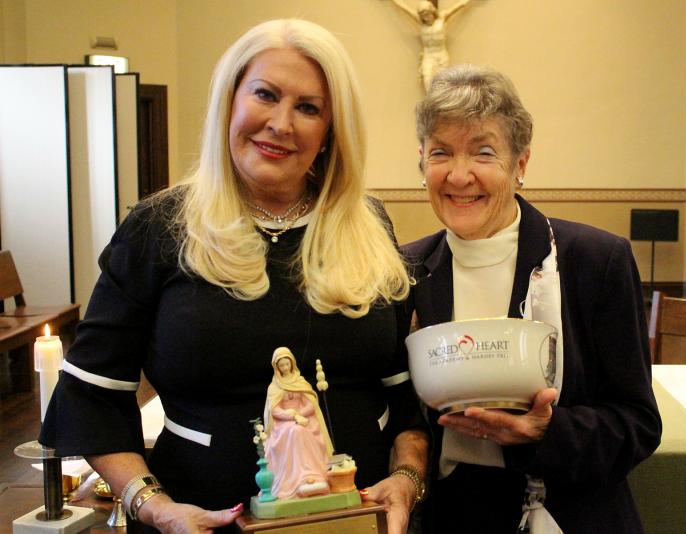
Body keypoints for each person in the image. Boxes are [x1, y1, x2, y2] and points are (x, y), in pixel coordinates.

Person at [40, 19, 428, 534]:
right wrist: (153, 506)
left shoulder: (369, 225)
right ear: (230, 101)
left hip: (358, 520)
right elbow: (94, 397)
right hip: (197, 518)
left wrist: (405, 480)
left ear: (332, 132)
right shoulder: (159, 228)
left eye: (308, 108)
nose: (281, 123)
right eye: (265, 95)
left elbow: (405, 400)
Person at [402, 65, 662, 533]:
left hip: (573, 514)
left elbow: (638, 424)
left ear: (520, 164)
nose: (459, 175)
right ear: (422, 162)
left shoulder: (595, 261)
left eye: (483, 152)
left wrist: (546, 433)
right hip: (455, 520)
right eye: (441, 152)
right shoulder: (404, 271)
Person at [264, 347, 332, 499]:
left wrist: (300, 414)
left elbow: (311, 403)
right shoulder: (274, 387)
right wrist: (291, 416)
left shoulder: (300, 382)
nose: (285, 368)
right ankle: (296, 478)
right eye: (281, 365)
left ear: (292, 364)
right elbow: (274, 410)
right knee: (295, 431)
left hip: (303, 418)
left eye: (287, 364)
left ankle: (313, 474)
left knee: (301, 430)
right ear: (277, 367)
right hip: (283, 423)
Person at [388, 0, 471, 90]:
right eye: (423, 16)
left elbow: (461, 5)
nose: (426, 18)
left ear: (432, 12)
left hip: (441, 57)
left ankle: (439, 103)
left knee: (442, 86)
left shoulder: (442, 18)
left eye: (427, 14)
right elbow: (404, 8)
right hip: (428, 56)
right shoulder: (420, 22)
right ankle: (430, 103)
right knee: (427, 81)